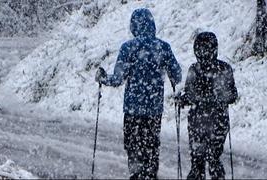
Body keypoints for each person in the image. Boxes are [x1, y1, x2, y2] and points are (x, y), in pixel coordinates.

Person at [95, 8, 182, 179]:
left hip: (133, 111)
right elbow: (177, 76)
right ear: (152, 24)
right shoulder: (163, 47)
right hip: (154, 111)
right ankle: (150, 175)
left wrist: (103, 79)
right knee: (151, 148)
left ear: (133, 26)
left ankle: (137, 175)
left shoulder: (128, 48)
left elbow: (118, 79)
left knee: (134, 149)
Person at [178, 32, 238, 179]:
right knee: (214, 158)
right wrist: (220, 98)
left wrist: (183, 100)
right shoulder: (224, 69)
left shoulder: (194, 69)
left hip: (198, 122)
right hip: (219, 121)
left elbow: (190, 95)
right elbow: (232, 95)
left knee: (197, 161)